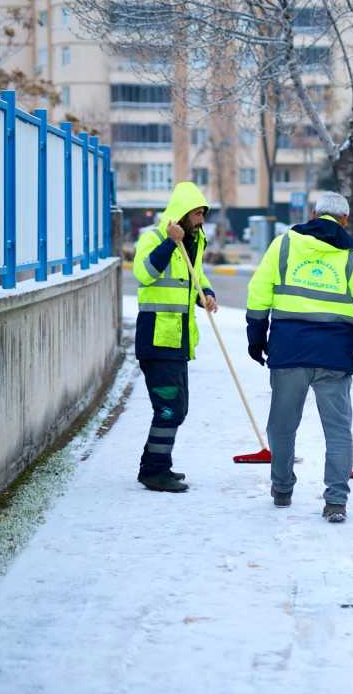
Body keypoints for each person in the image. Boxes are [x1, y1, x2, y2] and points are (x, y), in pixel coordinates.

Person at [245, 192, 353, 523]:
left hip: (288, 350)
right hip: (335, 356)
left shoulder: (283, 245)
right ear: (345, 220)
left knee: (282, 425)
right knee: (338, 430)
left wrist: (256, 338)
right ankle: (335, 501)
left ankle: (282, 490)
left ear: (313, 213)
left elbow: (258, 291)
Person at [132, 181, 218, 493]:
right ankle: (154, 472)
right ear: (182, 214)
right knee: (169, 409)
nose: (201, 220)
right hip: (156, 340)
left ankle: (157, 465)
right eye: (197, 214)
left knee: (177, 407)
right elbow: (143, 274)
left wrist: (204, 294)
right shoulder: (154, 237)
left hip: (178, 340)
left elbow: (196, 275)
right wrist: (169, 243)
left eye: (203, 214)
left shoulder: (195, 241)